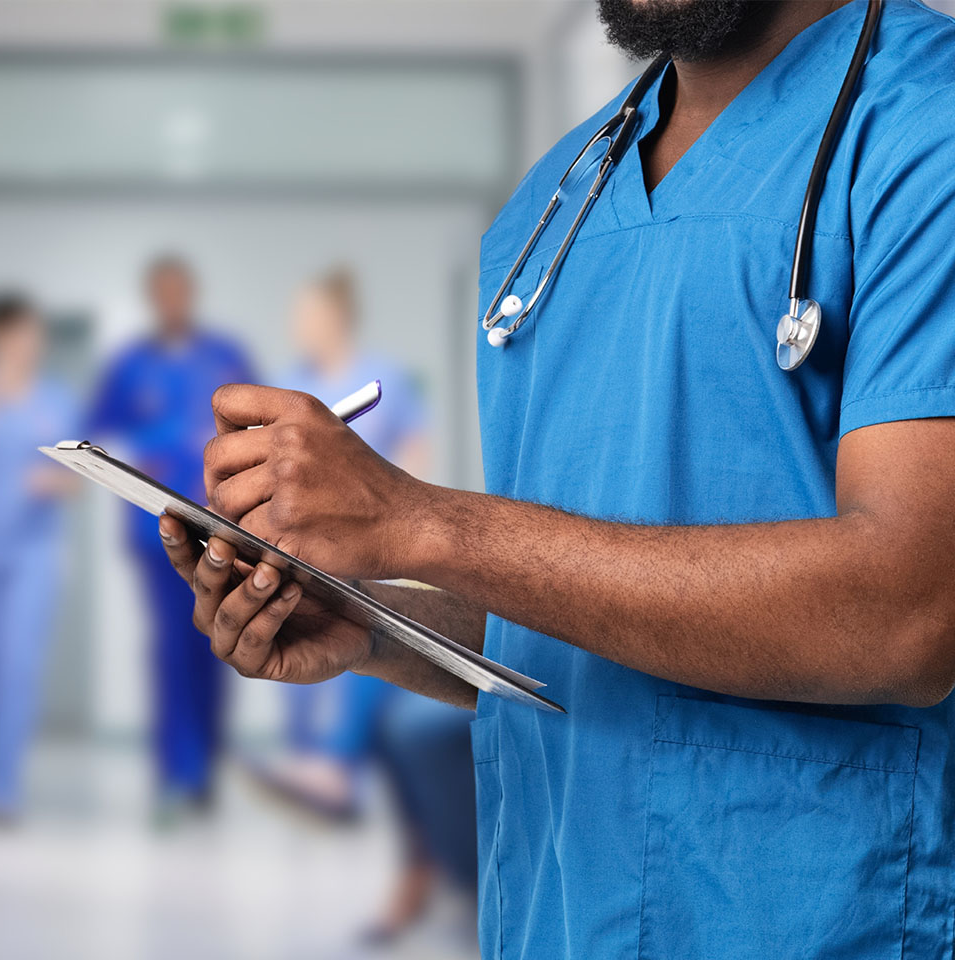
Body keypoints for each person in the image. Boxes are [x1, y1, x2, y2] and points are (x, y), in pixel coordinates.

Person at [158, 1, 955, 956]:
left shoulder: (924, 131)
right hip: (554, 910)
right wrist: (375, 625)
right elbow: (585, 617)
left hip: (823, 920)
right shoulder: (555, 209)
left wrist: (422, 522)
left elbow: (910, 611)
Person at [259, 269, 476, 945]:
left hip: (372, 555)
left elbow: (413, 462)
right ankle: (343, 784)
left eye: (308, 311)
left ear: (337, 315)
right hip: (304, 559)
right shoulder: (294, 386)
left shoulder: (382, 377)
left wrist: (399, 529)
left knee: (375, 672)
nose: (300, 324)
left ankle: (338, 772)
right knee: (320, 678)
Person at [89, 255, 254, 820]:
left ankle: (204, 766)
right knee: (168, 646)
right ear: (152, 299)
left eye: (180, 290)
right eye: (162, 292)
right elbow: (98, 427)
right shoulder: (130, 365)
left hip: (221, 528)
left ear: (191, 294)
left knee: (217, 642)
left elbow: (258, 429)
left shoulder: (225, 357)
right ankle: (176, 773)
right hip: (154, 528)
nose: (172, 301)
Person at [0, 294, 75, 822]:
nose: (33, 344)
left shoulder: (56, 399)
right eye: (24, 332)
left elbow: (79, 475)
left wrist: (51, 480)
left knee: (18, 669)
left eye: (37, 335)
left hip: (34, 555)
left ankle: (4, 792)